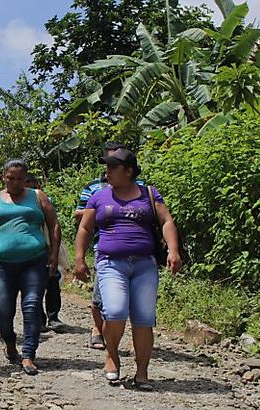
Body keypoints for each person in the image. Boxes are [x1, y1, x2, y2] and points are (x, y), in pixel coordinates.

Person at [75, 148, 181, 390]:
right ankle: (112, 356)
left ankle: (142, 373)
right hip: (111, 262)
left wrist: (173, 251)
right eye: (107, 167)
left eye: (113, 167)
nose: (107, 172)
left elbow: (166, 221)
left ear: (129, 171)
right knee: (114, 311)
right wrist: (80, 259)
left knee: (144, 319)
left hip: (145, 264)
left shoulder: (149, 194)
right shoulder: (99, 196)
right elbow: (85, 229)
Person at [0, 159, 60, 376]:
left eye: (19, 178)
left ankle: (29, 354)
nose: (15, 182)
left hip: (34, 260)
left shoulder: (37, 197)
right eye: (10, 178)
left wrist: (54, 254)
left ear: (25, 178)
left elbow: (53, 224)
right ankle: (10, 341)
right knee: (3, 307)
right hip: (0, 263)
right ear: (4, 177)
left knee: (31, 306)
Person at [75, 142, 143, 350]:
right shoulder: (94, 188)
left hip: (138, 253)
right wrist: (100, 209)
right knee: (100, 293)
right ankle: (97, 329)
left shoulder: (140, 187)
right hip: (103, 247)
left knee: (134, 298)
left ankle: (134, 337)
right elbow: (79, 214)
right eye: (110, 162)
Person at [25, 173, 65, 332]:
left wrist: (53, 250)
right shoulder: (15, 203)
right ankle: (39, 318)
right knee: (32, 285)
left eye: (34, 183)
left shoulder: (46, 201)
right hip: (28, 249)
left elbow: (53, 224)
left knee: (53, 281)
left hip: (46, 246)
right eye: (28, 182)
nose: (32, 186)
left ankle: (53, 317)